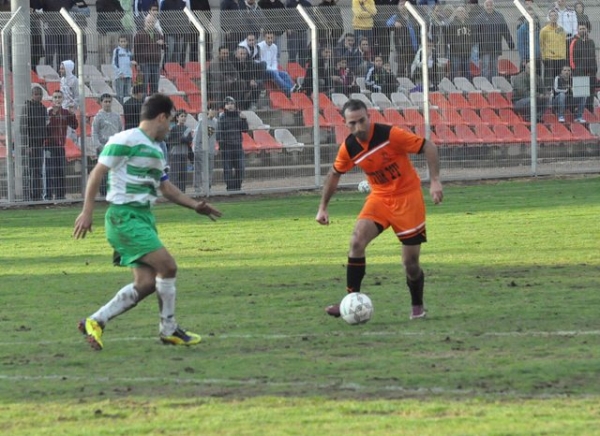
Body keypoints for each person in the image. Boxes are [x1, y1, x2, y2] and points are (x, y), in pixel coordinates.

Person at [73, 93, 222, 351]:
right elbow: (97, 173)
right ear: (161, 117)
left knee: (146, 283)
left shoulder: (155, 150)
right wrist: (87, 212)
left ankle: (95, 321)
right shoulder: (125, 139)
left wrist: (195, 205)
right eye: (171, 121)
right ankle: (169, 329)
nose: (171, 127)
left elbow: (166, 189)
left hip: (143, 218)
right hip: (124, 217)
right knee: (168, 266)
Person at [316, 98, 443, 320]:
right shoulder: (349, 147)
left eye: (361, 121)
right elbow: (334, 174)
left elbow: (428, 146)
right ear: (345, 124)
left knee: (410, 264)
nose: (358, 127)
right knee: (356, 242)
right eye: (352, 123)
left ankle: (417, 306)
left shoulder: (389, 135)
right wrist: (323, 207)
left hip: (407, 198)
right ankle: (350, 301)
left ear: (369, 117)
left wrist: (434, 181)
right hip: (380, 198)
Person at [45, 90, 79, 201]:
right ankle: (48, 196)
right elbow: (44, 128)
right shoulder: (48, 112)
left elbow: (74, 125)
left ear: (62, 99)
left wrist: (72, 114)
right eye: (55, 97)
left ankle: (60, 196)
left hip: (60, 146)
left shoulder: (65, 112)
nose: (57, 99)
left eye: (59, 97)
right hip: (49, 146)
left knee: (60, 170)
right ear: (52, 99)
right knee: (50, 170)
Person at [472, 0, 514, 81]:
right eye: (487, 5)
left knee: (494, 67)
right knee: (485, 67)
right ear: (484, 7)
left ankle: (495, 84)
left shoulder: (499, 16)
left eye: (491, 5)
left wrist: (510, 42)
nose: (489, 7)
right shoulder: (480, 18)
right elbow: (475, 32)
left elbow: (505, 30)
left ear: (493, 6)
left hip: (496, 46)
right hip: (484, 48)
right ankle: (485, 84)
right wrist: (474, 44)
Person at [92, 93, 123, 195]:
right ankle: (104, 192)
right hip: (103, 147)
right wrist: (99, 146)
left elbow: (120, 131)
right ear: (101, 103)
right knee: (104, 171)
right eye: (105, 101)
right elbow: (94, 133)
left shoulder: (116, 116)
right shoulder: (98, 117)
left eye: (109, 102)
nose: (107, 104)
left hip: (114, 147)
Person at [20, 86, 48, 201]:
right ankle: (27, 196)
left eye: (40, 94)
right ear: (32, 95)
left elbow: (44, 127)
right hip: (29, 145)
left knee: (38, 171)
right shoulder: (27, 108)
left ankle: (37, 196)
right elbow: (23, 128)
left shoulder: (43, 108)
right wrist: (27, 145)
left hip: (39, 144)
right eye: (36, 94)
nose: (38, 96)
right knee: (28, 171)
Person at [216, 96, 248, 192]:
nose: (230, 106)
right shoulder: (221, 118)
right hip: (227, 147)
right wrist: (222, 145)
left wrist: (244, 120)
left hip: (238, 146)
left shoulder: (239, 116)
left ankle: (237, 187)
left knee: (240, 168)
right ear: (224, 106)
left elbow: (245, 130)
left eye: (232, 104)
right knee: (227, 169)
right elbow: (218, 133)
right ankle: (230, 188)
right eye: (228, 104)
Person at [569, 23, 597, 116]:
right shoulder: (575, 41)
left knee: (590, 94)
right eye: (580, 29)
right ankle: (578, 114)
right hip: (579, 72)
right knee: (580, 95)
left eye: (584, 28)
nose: (582, 30)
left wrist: (594, 68)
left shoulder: (591, 42)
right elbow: (571, 57)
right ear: (577, 30)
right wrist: (575, 70)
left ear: (587, 30)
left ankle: (589, 113)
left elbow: (594, 56)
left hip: (591, 72)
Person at [134, 12, 164, 96]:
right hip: (144, 63)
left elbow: (165, 46)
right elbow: (136, 50)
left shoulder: (158, 34)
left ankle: (153, 100)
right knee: (143, 83)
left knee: (155, 84)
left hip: (155, 63)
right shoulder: (139, 34)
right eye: (148, 22)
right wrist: (137, 63)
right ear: (145, 22)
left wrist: (163, 43)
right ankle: (142, 100)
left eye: (152, 22)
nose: (150, 24)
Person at [258, 31, 296, 96]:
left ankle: (293, 88)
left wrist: (274, 69)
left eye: (271, 38)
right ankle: (289, 90)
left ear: (274, 38)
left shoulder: (274, 47)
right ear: (264, 38)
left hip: (272, 69)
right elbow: (262, 63)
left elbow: (274, 61)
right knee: (275, 74)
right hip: (262, 70)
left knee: (285, 74)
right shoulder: (260, 46)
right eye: (268, 38)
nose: (270, 40)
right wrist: (273, 70)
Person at [166, 109, 194, 192]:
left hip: (184, 154)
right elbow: (170, 141)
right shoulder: (174, 129)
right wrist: (182, 139)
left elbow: (189, 140)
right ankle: (173, 193)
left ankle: (182, 192)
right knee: (174, 175)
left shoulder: (187, 129)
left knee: (183, 175)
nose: (183, 118)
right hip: (175, 154)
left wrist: (183, 139)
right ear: (177, 118)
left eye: (185, 116)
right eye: (182, 116)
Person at [540, 9, 567, 89]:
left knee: (559, 80)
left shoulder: (561, 29)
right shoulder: (544, 30)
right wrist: (543, 57)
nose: (553, 17)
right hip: (549, 58)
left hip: (560, 58)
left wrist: (564, 55)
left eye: (555, 15)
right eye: (551, 16)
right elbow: (541, 44)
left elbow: (563, 42)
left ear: (557, 17)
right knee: (549, 81)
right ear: (549, 17)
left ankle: (559, 93)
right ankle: (549, 94)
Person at [193, 107, 218, 194]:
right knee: (199, 170)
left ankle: (208, 187)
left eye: (215, 110)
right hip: (201, 150)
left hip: (210, 150)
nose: (214, 112)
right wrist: (197, 149)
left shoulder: (215, 123)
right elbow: (197, 137)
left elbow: (214, 137)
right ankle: (197, 188)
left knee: (210, 169)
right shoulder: (202, 122)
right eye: (212, 110)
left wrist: (214, 148)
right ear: (208, 111)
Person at [232, 46, 264, 110]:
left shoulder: (249, 62)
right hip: (237, 82)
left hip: (247, 81)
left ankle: (253, 103)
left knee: (259, 83)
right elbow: (236, 76)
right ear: (236, 54)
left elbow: (251, 73)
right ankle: (238, 106)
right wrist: (249, 81)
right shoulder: (233, 63)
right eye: (241, 54)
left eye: (244, 54)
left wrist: (252, 80)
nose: (243, 56)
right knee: (241, 83)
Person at [96, 0, 125, 66]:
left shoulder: (115, 1)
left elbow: (122, 12)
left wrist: (114, 17)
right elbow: (100, 11)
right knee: (103, 51)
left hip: (114, 29)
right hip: (104, 31)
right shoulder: (100, 1)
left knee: (114, 50)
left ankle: (114, 65)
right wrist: (112, 16)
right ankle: (102, 66)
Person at [112, 35, 137, 104]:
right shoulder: (117, 51)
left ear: (127, 42)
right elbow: (114, 63)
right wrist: (119, 72)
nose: (123, 43)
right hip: (120, 76)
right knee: (120, 94)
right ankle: (120, 107)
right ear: (119, 42)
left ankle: (126, 107)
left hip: (128, 75)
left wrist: (132, 63)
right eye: (121, 41)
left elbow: (129, 62)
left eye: (124, 41)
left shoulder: (128, 51)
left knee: (127, 94)